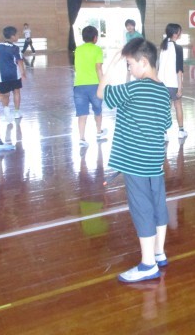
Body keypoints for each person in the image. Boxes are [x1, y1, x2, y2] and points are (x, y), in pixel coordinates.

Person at [97, 37, 172, 283]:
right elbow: (166, 124)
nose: (129, 69)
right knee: (158, 205)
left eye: (130, 64)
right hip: (154, 160)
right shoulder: (163, 91)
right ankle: (159, 252)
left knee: (142, 208)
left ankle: (148, 264)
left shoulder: (134, 89)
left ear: (143, 62)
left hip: (135, 161)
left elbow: (101, 93)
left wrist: (111, 64)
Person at [74, 25, 107, 147]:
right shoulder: (97, 50)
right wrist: (102, 83)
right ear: (95, 38)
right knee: (97, 110)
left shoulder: (78, 50)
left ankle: (82, 138)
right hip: (94, 85)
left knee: (82, 113)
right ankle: (98, 132)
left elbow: (76, 67)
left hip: (79, 86)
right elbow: (98, 68)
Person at [158, 23, 187, 139]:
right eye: (180, 31)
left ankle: (164, 133)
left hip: (161, 84)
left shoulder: (163, 47)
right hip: (173, 83)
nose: (181, 33)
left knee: (165, 108)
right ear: (175, 34)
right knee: (178, 105)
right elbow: (179, 70)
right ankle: (181, 131)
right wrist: (180, 87)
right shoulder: (178, 48)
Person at [0, 26, 26, 123]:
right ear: (13, 36)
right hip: (14, 75)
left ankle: (6, 110)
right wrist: (23, 73)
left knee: (5, 94)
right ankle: (16, 112)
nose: (18, 36)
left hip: (2, 76)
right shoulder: (15, 48)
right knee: (16, 92)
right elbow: (19, 61)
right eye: (17, 35)